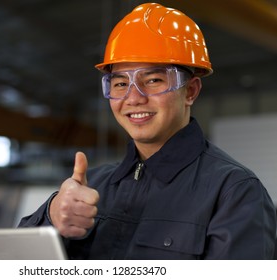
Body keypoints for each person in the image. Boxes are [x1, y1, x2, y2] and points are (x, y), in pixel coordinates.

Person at [18, 3, 276, 259]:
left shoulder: (234, 193)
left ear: (190, 91)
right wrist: (51, 216)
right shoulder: (93, 186)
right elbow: (10, 262)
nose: (133, 98)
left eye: (153, 80)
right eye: (119, 83)